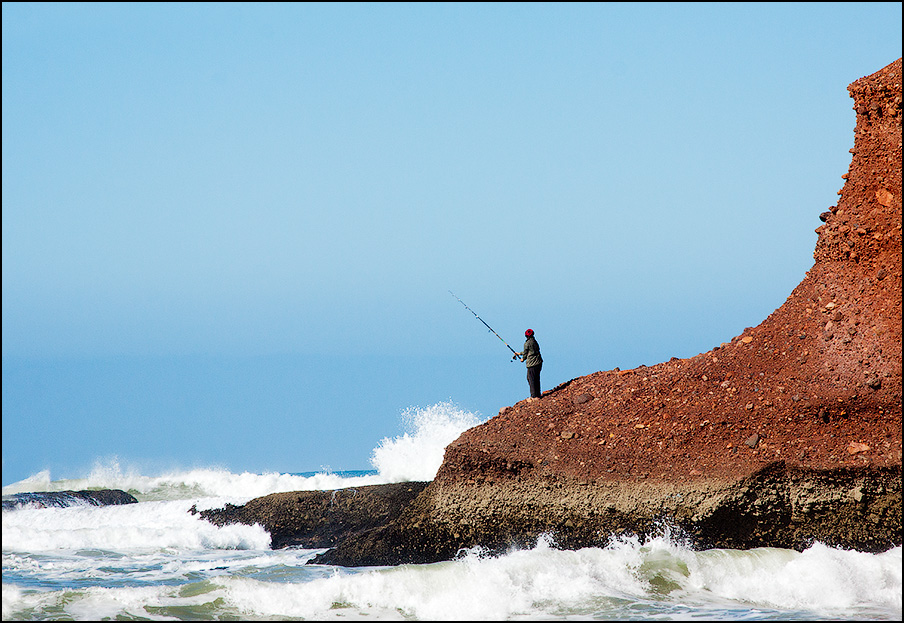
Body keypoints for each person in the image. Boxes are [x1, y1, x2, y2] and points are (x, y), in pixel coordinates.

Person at [514, 329, 543, 399]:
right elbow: (530, 351)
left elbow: (526, 353)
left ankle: (534, 396)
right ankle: (538, 394)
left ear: (526, 336)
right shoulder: (535, 342)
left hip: (532, 364)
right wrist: (519, 353)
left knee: (531, 379)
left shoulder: (527, 343)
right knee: (536, 378)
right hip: (539, 362)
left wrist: (522, 359)